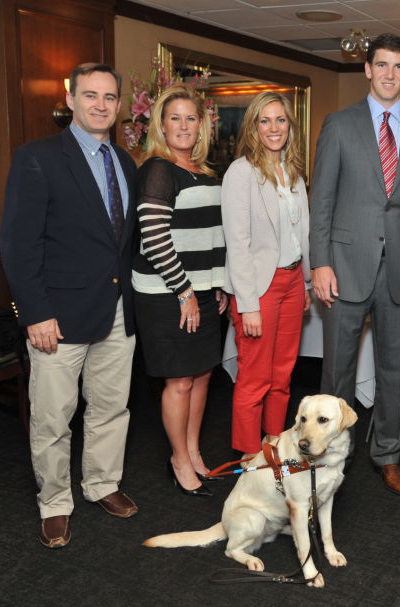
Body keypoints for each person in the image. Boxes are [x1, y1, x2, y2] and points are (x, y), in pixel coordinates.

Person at [1, 63, 139, 548]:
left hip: (118, 308)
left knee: (110, 407)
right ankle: (55, 502)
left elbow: (124, 242)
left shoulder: (123, 161)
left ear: (119, 105)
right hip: (56, 316)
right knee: (53, 416)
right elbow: (20, 245)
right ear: (72, 98)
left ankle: (102, 483)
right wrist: (35, 313)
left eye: (109, 97)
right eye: (91, 95)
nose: (101, 104)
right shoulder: (37, 158)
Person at [309, 33, 400, 495]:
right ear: (367, 69)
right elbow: (321, 201)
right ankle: (326, 458)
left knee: (392, 371)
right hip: (344, 267)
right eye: (381, 65)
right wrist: (319, 263)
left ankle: (388, 453)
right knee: (336, 373)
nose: (389, 74)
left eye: (398, 66)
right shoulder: (339, 125)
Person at [132, 83, 227, 497]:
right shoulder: (157, 168)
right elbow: (154, 240)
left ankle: (192, 450)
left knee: (203, 375)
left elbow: (215, 235)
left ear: (201, 126)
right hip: (166, 294)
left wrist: (218, 283)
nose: (184, 125)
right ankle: (178, 459)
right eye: (175, 118)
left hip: (204, 291)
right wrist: (186, 292)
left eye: (191, 118)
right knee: (180, 382)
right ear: (161, 125)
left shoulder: (206, 172)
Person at [221, 92, 311, 459]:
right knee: (255, 377)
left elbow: (300, 232)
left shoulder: (293, 170)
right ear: (253, 127)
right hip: (259, 287)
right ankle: (246, 457)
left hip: (292, 281)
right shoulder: (240, 172)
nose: (274, 128)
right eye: (265, 121)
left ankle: (273, 447)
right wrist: (249, 304)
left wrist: (304, 283)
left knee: (283, 375)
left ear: (290, 126)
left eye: (281, 120)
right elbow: (237, 242)